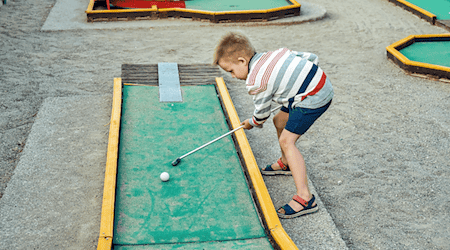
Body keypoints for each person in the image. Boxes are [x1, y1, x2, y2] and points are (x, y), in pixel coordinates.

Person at [213, 32, 333, 219]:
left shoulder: (255, 81)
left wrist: (250, 123)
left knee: (287, 141)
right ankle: (286, 163)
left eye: (231, 71)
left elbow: (261, 115)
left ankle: (305, 198)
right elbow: (311, 58)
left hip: (314, 97)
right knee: (279, 121)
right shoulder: (274, 54)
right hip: (318, 84)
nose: (233, 76)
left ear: (242, 61)